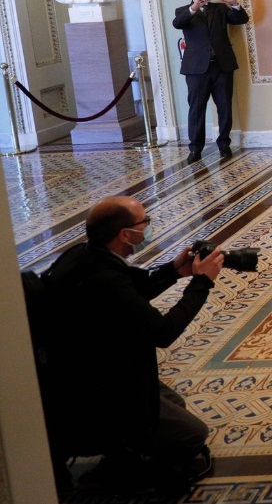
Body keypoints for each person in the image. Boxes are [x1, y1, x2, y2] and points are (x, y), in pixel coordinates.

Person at [43, 196, 226, 493]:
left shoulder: (82, 256)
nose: (149, 226)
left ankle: (125, 443)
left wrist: (175, 271)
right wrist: (201, 283)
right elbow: (163, 332)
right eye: (145, 222)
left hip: (87, 372)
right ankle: (121, 447)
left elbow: (132, 288)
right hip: (102, 390)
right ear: (125, 234)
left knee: (174, 404)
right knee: (193, 434)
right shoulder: (106, 279)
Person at [173, 0, 250, 163]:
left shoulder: (220, 9)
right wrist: (195, 7)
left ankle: (224, 144)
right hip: (196, 69)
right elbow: (177, 23)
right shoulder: (183, 10)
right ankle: (195, 149)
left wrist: (233, 2)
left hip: (222, 66)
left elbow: (241, 19)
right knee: (196, 109)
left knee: (224, 107)